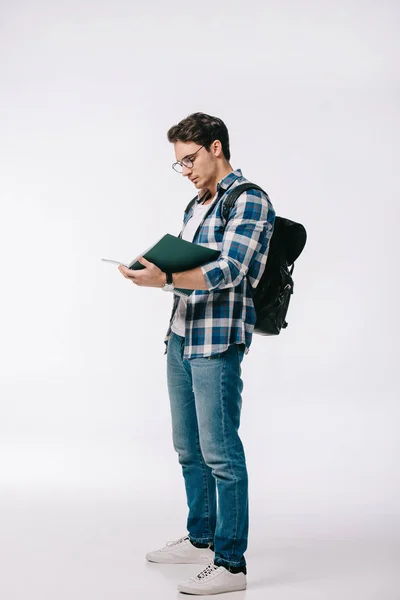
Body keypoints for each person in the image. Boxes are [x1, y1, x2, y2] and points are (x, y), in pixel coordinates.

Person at [118, 112, 275, 595]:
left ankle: (231, 564)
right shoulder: (196, 205)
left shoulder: (249, 200)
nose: (184, 169)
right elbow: (191, 264)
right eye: (178, 163)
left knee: (221, 452)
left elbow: (230, 269)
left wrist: (164, 278)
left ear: (216, 147)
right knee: (189, 449)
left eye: (189, 158)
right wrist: (156, 266)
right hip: (182, 335)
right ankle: (202, 535)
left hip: (218, 339)